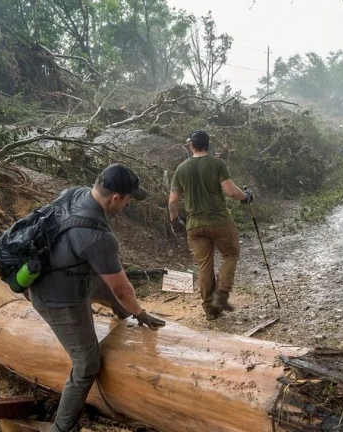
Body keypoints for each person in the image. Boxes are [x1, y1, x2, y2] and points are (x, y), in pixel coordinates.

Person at [28, 163, 166, 432]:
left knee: (105, 282)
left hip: (54, 274)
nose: (127, 205)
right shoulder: (98, 237)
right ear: (115, 198)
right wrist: (141, 314)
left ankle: (123, 315)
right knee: (87, 364)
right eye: (127, 200)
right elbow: (123, 290)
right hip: (57, 299)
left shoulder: (74, 193)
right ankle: (62, 428)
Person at [168, 130, 253, 321]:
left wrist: (175, 220)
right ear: (208, 145)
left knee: (204, 264)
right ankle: (221, 295)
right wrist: (246, 197)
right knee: (230, 254)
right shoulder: (217, 164)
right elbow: (231, 192)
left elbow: (173, 201)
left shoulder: (181, 168)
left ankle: (209, 309)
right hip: (219, 220)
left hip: (195, 224)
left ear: (192, 145)